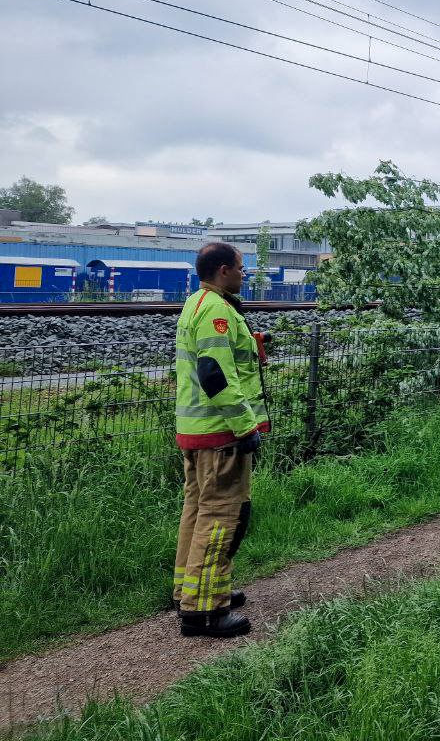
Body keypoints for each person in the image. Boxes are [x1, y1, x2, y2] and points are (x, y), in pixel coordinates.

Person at [172, 242, 269, 638]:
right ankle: (205, 610)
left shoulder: (197, 302)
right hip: (221, 433)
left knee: (196, 511)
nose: (245, 274)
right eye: (242, 268)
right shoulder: (216, 311)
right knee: (222, 516)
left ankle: (188, 591)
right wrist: (246, 427)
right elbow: (216, 376)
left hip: (196, 431)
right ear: (224, 269)